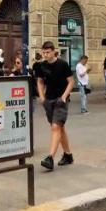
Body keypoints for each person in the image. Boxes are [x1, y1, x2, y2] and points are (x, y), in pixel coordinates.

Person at [34, 41, 74, 171]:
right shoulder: (41, 66)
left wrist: (64, 96)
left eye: (48, 52)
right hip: (48, 100)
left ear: (53, 51)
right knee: (59, 128)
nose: (45, 55)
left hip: (60, 100)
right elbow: (40, 81)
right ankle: (68, 155)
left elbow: (71, 81)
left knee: (55, 127)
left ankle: (50, 158)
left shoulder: (63, 64)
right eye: (44, 52)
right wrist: (41, 96)